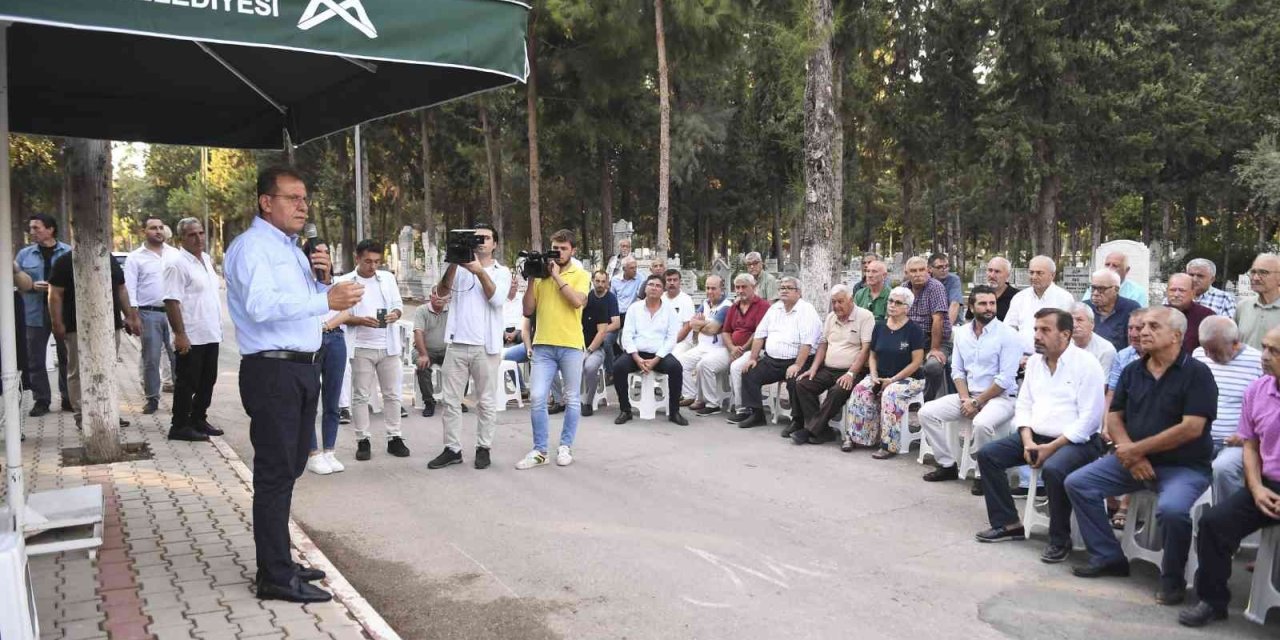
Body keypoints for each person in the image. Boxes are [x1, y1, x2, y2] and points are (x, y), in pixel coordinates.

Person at [225, 166, 364, 603]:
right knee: (274, 474)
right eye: (292, 198)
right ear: (266, 202)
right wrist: (325, 297)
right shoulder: (252, 248)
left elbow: (304, 310)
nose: (302, 206)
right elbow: (262, 306)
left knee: (291, 468)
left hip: (303, 367)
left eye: (305, 199)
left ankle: (280, 559)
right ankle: (274, 577)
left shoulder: (290, 249)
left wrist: (321, 281)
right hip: (273, 371)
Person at [1064, 307, 1215, 606]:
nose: (1142, 331)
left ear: (1176, 336)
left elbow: (1192, 428)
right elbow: (1116, 417)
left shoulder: (1197, 373)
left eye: (1153, 326)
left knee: (1173, 511)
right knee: (1079, 483)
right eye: (1142, 325)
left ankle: (1172, 581)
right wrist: (1131, 454)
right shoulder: (1134, 369)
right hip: (1133, 460)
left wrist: (1137, 450)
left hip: (1183, 466)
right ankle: (1108, 556)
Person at [971, 309, 1105, 561]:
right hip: (1037, 437)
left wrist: (1052, 447)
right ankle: (1008, 523)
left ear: (1065, 334)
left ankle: (1059, 539)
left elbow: (1090, 420)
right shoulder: (1034, 362)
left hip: (1078, 441)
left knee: (1054, 469)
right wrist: (1028, 440)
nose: (1037, 336)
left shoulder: (1086, 364)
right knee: (988, 455)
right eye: (1035, 330)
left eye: (1045, 330)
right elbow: (1024, 406)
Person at [1177, 325, 1280, 627]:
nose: (1264, 356)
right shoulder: (1258, 389)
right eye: (1263, 347)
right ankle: (1213, 600)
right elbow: (1250, 445)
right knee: (1213, 524)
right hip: (1268, 484)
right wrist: (1256, 487)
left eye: (1274, 351)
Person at [919, 286, 1024, 493]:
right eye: (983, 303)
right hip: (968, 395)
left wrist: (977, 402)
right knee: (926, 413)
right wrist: (967, 399)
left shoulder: (1008, 335)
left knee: (982, 424)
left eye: (992, 303)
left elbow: (1005, 379)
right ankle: (947, 464)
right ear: (971, 306)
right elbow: (957, 371)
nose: (989, 308)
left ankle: (982, 474)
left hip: (1001, 398)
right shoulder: (962, 333)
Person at [427, 223, 511, 471]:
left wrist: (479, 272)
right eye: (476, 238)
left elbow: (496, 300)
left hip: (485, 346)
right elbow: (441, 292)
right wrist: (454, 260)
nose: (481, 241)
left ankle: (483, 448)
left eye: (486, 238)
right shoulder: (459, 268)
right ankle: (452, 449)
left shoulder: (501, 271)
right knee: (451, 400)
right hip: (457, 343)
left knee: (485, 401)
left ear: (495, 244)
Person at [517, 229, 591, 470]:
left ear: (573, 250)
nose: (558, 253)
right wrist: (531, 279)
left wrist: (557, 276)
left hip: (571, 345)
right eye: (555, 248)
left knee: (571, 399)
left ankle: (565, 446)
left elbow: (577, 301)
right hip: (543, 345)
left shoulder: (580, 274)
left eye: (563, 248)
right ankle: (540, 450)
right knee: (537, 397)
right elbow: (528, 310)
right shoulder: (541, 276)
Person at [48, 251, 140, 428]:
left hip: (110, 325)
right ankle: (82, 415)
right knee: (77, 371)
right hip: (76, 326)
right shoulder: (65, 261)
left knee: (109, 368)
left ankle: (109, 411)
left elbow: (121, 288)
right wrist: (56, 322)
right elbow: (55, 294)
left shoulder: (109, 258)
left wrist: (130, 316)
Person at [334, 240, 407, 461]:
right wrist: (359, 320)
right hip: (361, 347)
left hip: (388, 345)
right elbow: (339, 315)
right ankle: (362, 439)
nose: (372, 266)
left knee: (392, 394)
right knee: (360, 395)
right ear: (357, 258)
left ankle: (394, 437)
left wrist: (395, 313)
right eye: (367, 261)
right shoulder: (344, 281)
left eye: (376, 262)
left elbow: (398, 304)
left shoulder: (387, 278)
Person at [730, 277, 823, 429]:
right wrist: (753, 358)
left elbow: (807, 343)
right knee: (749, 372)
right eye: (782, 288)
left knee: (795, 381)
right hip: (772, 360)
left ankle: (797, 420)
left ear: (798, 292)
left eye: (789, 288)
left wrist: (797, 365)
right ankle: (756, 414)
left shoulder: (806, 310)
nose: (784, 290)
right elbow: (760, 334)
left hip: (798, 360)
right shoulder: (775, 308)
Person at [162, 217, 225, 442]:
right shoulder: (176, 263)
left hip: (210, 333)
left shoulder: (205, 259)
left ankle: (198, 419)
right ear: (181, 239)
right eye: (192, 235)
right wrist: (180, 334)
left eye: (200, 233)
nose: (199, 238)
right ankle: (179, 425)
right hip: (191, 336)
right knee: (187, 382)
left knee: (208, 380)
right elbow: (171, 301)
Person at [847, 286, 927, 456]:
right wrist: (874, 376)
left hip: (909, 379)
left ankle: (888, 445)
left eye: (898, 303)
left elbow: (917, 362)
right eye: (891, 301)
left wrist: (893, 379)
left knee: (890, 394)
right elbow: (873, 355)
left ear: (907, 307)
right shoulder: (880, 327)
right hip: (881, 374)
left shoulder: (914, 331)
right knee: (860, 390)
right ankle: (859, 437)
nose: (892, 305)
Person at [788, 285, 873, 445]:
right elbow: (823, 345)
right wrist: (813, 369)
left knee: (837, 391)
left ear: (851, 300)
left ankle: (810, 430)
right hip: (828, 369)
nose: (836, 306)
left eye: (840, 302)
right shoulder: (831, 317)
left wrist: (851, 374)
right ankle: (823, 430)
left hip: (852, 370)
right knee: (803, 384)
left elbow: (866, 349)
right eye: (833, 302)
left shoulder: (865, 317)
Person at [1191, 317, 1262, 504]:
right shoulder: (1198, 355)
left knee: (1223, 469)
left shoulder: (1258, 362)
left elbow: (1267, 408)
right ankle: (1185, 525)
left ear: (1236, 344)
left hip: (1237, 442)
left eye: (1214, 351)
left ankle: (1227, 524)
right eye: (1205, 348)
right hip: (1198, 439)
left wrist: (1248, 435)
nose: (1207, 355)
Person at [613, 274, 689, 426]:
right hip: (636, 353)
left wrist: (656, 359)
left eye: (658, 286)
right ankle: (625, 410)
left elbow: (671, 338)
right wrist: (636, 357)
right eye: (651, 284)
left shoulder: (669, 310)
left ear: (663, 290)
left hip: (659, 354)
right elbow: (627, 335)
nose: (654, 288)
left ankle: (674, 411)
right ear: (645, 288)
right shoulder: (634, 308)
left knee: (676, 368)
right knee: (618, 367)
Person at [16, 213, 71, 416]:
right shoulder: (24, 255)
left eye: (36, 228)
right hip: (33, 314)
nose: (32, 232)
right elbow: (14, 280)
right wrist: (31, 286)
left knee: (67, 357)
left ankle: (68, 398)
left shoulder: (68, 252)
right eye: (31, 228)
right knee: (35, 360)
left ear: (50, 229)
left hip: (62, 313)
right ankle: (41, 400)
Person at [693, 273, 770, 417]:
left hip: (754, 350)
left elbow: (759, 333)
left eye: (744, 287)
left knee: (736, 368)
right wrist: (732, 348)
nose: (740, 290)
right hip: (732, 349)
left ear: (753, 287)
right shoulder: (734, 307)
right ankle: (712, 404)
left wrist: (743, 348)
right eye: (737, 287)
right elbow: (726, 331)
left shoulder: (763, 306)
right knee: (704, 365)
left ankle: (742, 408)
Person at [124, 216, 179, 415]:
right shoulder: (135, 257)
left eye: (161, 227)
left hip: (175, 313)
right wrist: (133, 316)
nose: (158, 231)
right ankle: (152, 399)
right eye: (153, 228)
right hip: (149, 314)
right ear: (144, 232)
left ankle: (181, 400)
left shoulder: (175, 254)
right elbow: (129, 288)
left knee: (178, 357)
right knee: (151, 358)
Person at [304, 239, 350, 475]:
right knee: (310, 399)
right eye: (316, 252)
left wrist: (325, 326)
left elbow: (347, 311)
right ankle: (312, 452)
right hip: (310, 343)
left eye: (325, 252)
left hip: (334, 339)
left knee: (332, 399)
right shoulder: (303, 282)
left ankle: (329, 450)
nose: (321, 256)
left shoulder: (338, 283)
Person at [677, 275, 731, 407]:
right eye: (707, 288)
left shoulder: (726, 306)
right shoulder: (705, 303)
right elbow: (692, 323)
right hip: (702, 347)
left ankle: (710, 402)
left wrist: (702, 324)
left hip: (719, 348)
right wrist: (706, 324)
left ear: (721, 289)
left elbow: (713, 329)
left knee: (703, 365)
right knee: (681, 362)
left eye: (713, 288)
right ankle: (690, 394)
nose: (710, 292)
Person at [1005, 256, 1075, 355]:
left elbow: (1069, 333)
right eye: (1031, 272)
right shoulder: (1019, 298)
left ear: (1052, 275)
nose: (1034, 277)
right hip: (1021, 358)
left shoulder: (1065, 298)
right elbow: (1009, 329)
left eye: (1039, 273)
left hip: (1052, 358)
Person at [903, 256, 951, 401]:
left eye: (921, 270)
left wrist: (934, 349)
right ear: (906, 273)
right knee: (888, 355)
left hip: (936, 340)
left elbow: (938, 320)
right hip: (912, 341)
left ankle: (926, 401)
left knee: (933, 366)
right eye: (913, 271)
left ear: (928, 271)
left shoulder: (935, 287)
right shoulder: (904, 288)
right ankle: (899, 399)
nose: (918, 274)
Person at [580, 270, 620, 417]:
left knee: (606, 342)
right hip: (580, 343)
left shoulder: (610, 299)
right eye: (597, 281)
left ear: (607, 283)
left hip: (601, 339)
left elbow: (616, 323)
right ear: (592, 281)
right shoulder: (587, 297)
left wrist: (601, 330)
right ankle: (563, 400)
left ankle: (610, 372)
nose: (600, 284)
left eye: (603, 282)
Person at [412, 289, 450, 418]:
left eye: (442, 294)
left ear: (448, 298)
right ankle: (429, 402)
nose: (439, 297)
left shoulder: (452, 311)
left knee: (463, 363)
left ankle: (457, 399)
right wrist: (423, 354)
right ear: (430, 296)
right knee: (423, 366)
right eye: (436, 294)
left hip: (446, 350)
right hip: (425, 349)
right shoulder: (421, 310)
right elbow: (418, 333)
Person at [1085, 268, 1141, 352]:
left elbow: (1136, 343)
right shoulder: (1085, 308)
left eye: (1101, 289)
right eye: (1093, 288)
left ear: (1116, 290)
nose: (1095, 293)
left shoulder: (1131, 308)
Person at [1236, 253, 1280, 349]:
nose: (1255, 278)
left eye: (1263, 272)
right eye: (1253, 272)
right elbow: (1234, 343)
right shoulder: (1242, 306)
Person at [1164, 272, 1213, 352]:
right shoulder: (1157, 315)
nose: (1176, 294)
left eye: (1182, 290)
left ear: (1193, 293)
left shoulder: (1206, 316)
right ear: (1167, 292)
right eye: (1172, 290)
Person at [1071, 303, 1116, 374]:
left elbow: (1103, 384)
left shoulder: (1106, 350)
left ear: (1092, 324)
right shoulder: (1061, 345)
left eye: (1079, 320)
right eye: (1070, 320)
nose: (1074, 325)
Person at [929, 253, 964, 325]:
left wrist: (947, 328)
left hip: (953, 323)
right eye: (939, 267)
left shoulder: (953, 280)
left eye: (947, 266)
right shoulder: (926, 281)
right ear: (930, 268)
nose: (944, 269)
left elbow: (955, 304)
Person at [986, 257, 1020, 321]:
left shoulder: (1017, 297)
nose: (992, 275)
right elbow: (969, 320)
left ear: (1008, 275)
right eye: (990, 270)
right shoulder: (978, 293)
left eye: (997, 271)